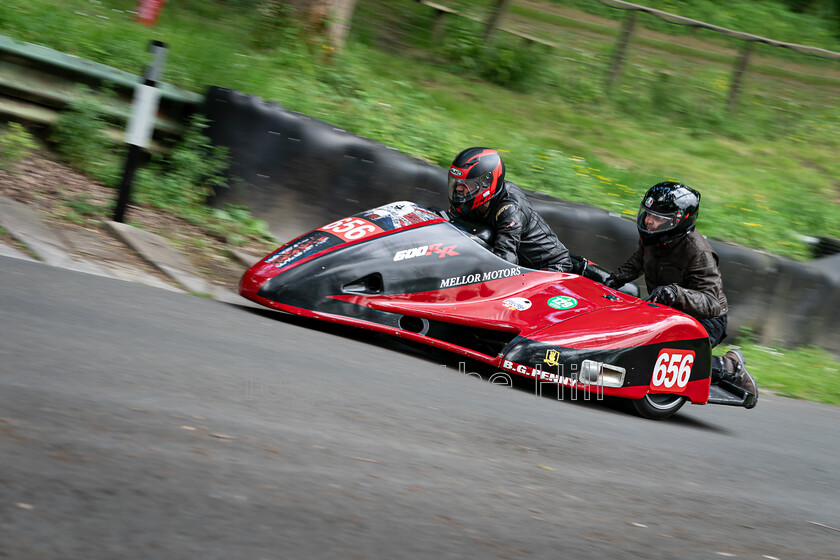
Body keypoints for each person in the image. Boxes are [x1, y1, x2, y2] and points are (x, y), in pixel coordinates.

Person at [604, 181, 758, 408]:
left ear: (679, 222)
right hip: (668, 308)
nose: (649, 222)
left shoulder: (699, 253)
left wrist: (676, 293)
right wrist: (614, 281)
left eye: (658, 219)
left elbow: (713, 303)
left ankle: (728, 367)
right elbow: (638, 260)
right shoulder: (654, 238)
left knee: (661, 350)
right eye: (648, 215)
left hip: (706, 319)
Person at [447, 147, 573, 272]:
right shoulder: (468, 203)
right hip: (523, 269)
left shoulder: (510, 209)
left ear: (486, 183)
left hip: (551, 268)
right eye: (457, 183)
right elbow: (447, 224)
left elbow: (505, 261)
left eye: (467, 184)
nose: (458, 189)